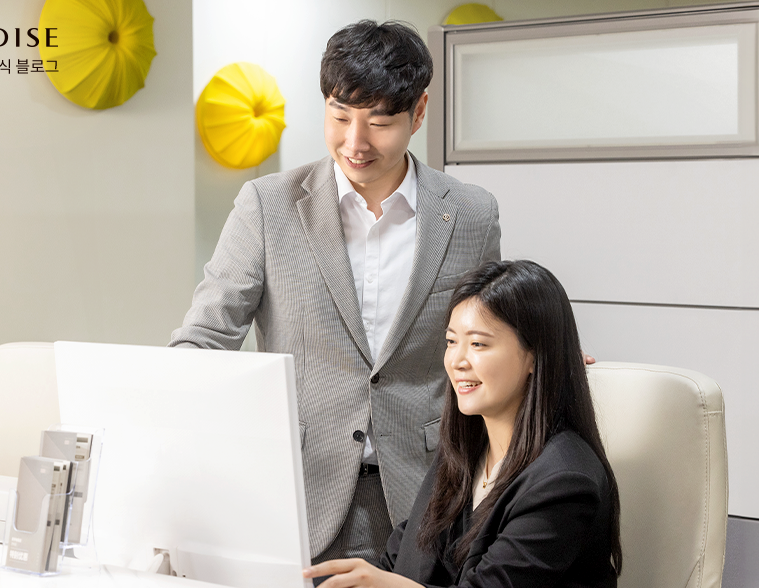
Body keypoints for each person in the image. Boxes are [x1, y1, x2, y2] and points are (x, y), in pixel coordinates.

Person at [169, 20, 500, 565]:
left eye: (379, 122)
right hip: (295, 492)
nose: (355, 142)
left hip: (428, 498)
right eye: (340, 116)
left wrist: (538, 349)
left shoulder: (470, 213)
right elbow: (205, 338)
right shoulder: (267, 206)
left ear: (418, 112)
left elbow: (490, 333)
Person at [304, 260, 622, 587]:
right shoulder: (464, 451)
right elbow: (400, 561)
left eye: (478, 344)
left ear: (535, 355)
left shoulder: (565, 481)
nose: (456, 361)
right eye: (451, 341)